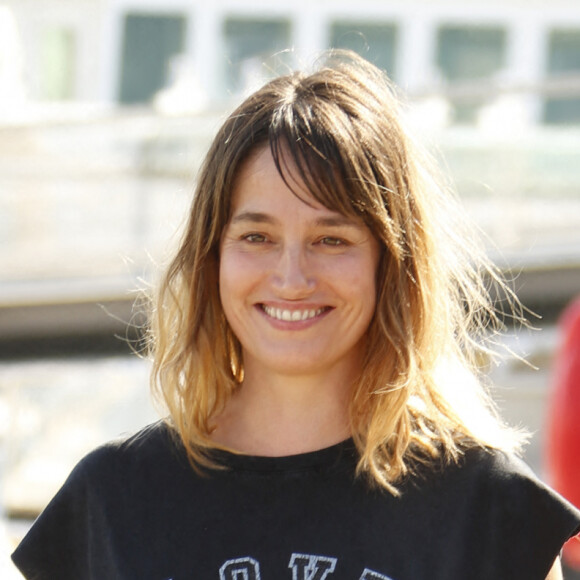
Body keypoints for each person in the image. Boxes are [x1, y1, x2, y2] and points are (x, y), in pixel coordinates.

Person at [12, 50, 580, 579]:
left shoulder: (490, 510)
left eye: (331, 239)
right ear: (211, 258)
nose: (291, 277)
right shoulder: (112, 500)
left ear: (393, 262)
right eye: (256, 236)